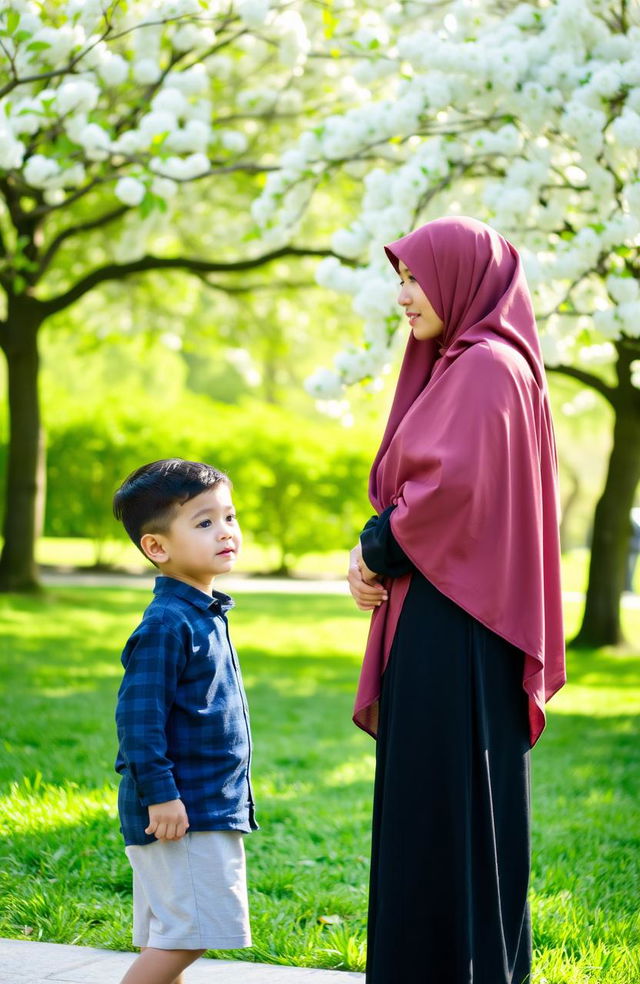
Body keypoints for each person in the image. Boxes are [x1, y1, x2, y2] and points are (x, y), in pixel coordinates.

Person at [347, 216, 566, 984]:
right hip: (461, 620)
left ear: (462, 278)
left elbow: (450, 493)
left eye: (415, 277)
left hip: (455, 628)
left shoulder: (482, 367)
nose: (403, 295)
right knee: (456, 814)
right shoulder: (487, 365)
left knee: (442, 813)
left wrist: (370, 549)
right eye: (399, 279)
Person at [112, 458, 257, 984]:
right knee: (189, 936)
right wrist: (162, 793)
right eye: (203, 522)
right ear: (158, 547)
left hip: (201, 805)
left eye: (229, 517)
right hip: (182, 810)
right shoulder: (168, 624)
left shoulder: (203, 612)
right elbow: (137, 720)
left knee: (174, 936)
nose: (225, 531)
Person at [624, 507, 640, 593]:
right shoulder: (633, 523)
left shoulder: (635, 523)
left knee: (630, 568)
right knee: (628, 568)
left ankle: (628, 587)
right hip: (632, 548)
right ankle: (627, 587)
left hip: (633, 548)